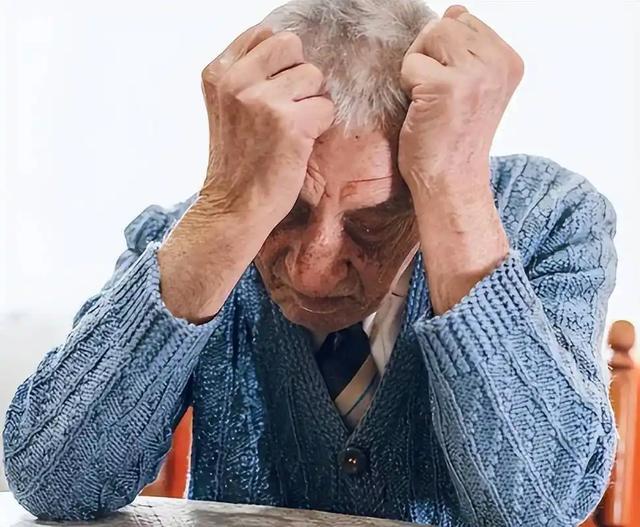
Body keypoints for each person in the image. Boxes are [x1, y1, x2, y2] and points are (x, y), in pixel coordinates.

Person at [3, 1, 617, 525]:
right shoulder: (190, 233)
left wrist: (455, 192)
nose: (311, 270)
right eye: (286, 209)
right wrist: (228, 211)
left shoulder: (548, 217)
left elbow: (539, 508)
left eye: (373, 220)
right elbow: (54, 482)